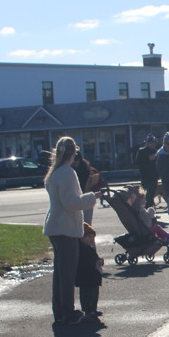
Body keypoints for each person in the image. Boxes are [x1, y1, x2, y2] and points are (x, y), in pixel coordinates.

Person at [43, 136, 102, 325]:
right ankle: (68, 312)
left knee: (60, 274)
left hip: (55, 227)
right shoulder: (67, 172)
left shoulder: (54, 172)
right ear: (73, 153)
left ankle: (60, 311)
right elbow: (71, 203)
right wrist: (93, 197)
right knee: (67, 275)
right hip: (65, 227)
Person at [75, 222, 104, 323]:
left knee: (94, 293)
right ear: (82, 238)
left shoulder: (90, 249)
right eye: (89, 237)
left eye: (93, 237)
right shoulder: (81, 250)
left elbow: (94, 258)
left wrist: (99, 261)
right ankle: (88, 310)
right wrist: (94, 264)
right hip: (86, 277)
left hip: (93, 276)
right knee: (87, 294)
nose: (92, 239)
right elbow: (84, 262)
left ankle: (93, 309)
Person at [135, 135, 159, 209]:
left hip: (154, 178)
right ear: (147, 143)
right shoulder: (142, 151)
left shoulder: (156, 152)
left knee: (151, 196)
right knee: (146, 196)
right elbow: (138, 162)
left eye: (154, 142)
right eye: (151, 142)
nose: (153, 144)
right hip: (145, 178)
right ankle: (146, 211)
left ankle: (151, 211)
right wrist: (148, 159)